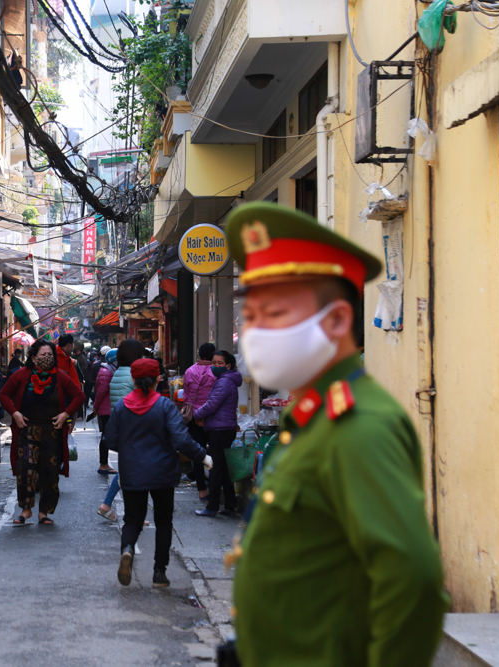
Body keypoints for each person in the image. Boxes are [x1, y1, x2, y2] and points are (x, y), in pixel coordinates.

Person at [224, 202, 448, 666]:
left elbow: (413, 580)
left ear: (338, 321)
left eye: (276, 312)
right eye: (251, 316)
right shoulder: (311, 419)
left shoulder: (359, 426)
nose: (255, 333)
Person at [105, 358, 212, 588]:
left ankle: (127, 549)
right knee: (163, 521)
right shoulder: (165, 406)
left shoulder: (122, 406)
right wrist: (202, 456)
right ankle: (159, 573)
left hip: (132, 471)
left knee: (132, 520)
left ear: (133, 379)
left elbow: (110, 439)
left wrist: (130, 447)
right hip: (163, 472)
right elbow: (182, 439)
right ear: (157, 379)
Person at [0, 339, 85, 525]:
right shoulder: (22, 375)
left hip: (52, 432)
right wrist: (15, 413)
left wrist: (66, 415)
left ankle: (44, 512)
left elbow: (79, 395)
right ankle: (26, 510)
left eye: (50, 355)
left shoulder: (60, 376)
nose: (47, 358)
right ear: (33, 357)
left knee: (50, 472)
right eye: (43, 355)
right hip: (27, 431)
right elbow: (3, 395)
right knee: (26, 471)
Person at [97, 339, 146, 521]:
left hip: (123, 427)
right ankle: (129, 512)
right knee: (133, 471)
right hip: (134, 428)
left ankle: (108, 505)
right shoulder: (133, 375)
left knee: (129, 470)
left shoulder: (118, 372)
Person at [193, 350, 243, 518]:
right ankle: (229, 506)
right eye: (214, 363)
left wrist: (197, 414)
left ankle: (212, 506)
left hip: (220, 430)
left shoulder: (224, 382)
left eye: (219, 363)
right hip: (224, 428)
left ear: (228, 365)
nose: (215, 366)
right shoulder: (226, 380)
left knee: (215, 468)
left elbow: (212, 404)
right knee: (224, 469)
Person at [182, 343, 217, 500]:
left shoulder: (189, 371)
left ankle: (201, 488)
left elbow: (187, 396)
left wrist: (192, 415)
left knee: (198, 453)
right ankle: (215, 485)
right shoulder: (216, 372)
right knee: (215, 452)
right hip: (212, 416)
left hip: (193, 417)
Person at [94, 348, 118, 476]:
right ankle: (103, 464)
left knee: (106, 436)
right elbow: (101, 392)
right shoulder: (107, 372)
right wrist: (96, 406)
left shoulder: (107, 371)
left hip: (107, 408)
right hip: (105, 409)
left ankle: (104, 464)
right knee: (106, 437)